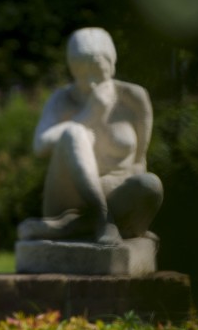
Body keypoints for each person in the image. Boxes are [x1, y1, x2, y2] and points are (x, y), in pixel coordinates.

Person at [18, 27, 163, 245]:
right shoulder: (62, 99)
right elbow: (40, 145)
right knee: (74, 132)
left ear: (112, 65)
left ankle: (72, 227)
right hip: (69, 197)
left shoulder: (134, 98)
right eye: (82, 73)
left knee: (151, 184)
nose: (92, 82)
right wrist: (89, 114)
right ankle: (102, 219)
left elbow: (139, 162)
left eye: (97, 70)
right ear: (72, 70)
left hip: (117, 190)